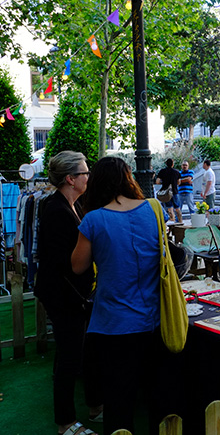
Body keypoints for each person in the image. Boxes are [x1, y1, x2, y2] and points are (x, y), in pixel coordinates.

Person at [71, 157, 168, 435]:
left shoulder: (93, 219)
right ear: (129, 178)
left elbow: (77, 266)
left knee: (118, 400)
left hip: (113, 326)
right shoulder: (154, 208)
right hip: (154, 320)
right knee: (155, 396)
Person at [34, 151, 102, 435]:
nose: (89, 177)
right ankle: (65, 422)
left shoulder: (74, 205)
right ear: (71, 178)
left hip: (74, 294)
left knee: (81, 351)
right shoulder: (56, 210)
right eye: (85, 173)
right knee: (70, 356)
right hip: (64, 295)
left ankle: (95, 406)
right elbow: (65, 261)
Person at [156, 158, 182, 223]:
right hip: (174, 191)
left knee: (169, 208)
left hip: (166, 193)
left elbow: (157, 181)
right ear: (173, 164)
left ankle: (172, 221)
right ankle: (180, 222)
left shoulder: (162, 171)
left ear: (166, 164)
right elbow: (179, 182)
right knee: (177, 208)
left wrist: (164, 182)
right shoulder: (176, 172)